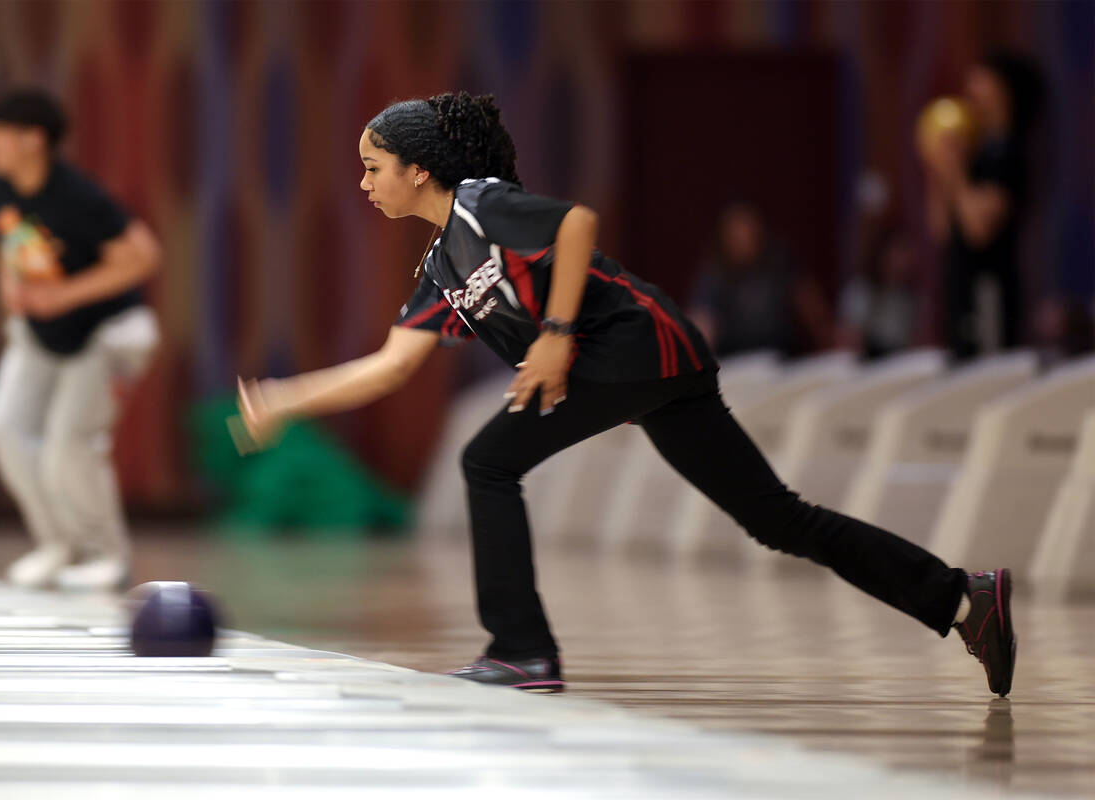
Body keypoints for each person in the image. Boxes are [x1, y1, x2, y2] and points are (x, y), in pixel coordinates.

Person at [237, 92, 1015, 696]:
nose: (364, 182)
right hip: (641, 372)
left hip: (638, 347)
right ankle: (962, 599)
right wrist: (284, 400)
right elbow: (389, 366)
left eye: (374, 166)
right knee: (778, 519)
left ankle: (521, 652)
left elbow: (575, 223)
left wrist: (554, 333)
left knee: (487, 461)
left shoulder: (481, 201)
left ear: (417, 168)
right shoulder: (442, 267)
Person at [0, 89, 161, 591]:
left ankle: (107, 554)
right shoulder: (1, 187)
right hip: (42, 334)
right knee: (4, 426)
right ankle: (59, 544)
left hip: (105, 333)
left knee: (69, 444)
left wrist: (66, 295)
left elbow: (143, 255)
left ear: (32, 140)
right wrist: (11, 287)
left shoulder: (78, 198)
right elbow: (9, 244)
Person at [921, 50, 1044, 360]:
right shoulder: (977, 154)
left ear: (1005, 93)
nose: (970, 90)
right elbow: (942, 229)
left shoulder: (1009, 157)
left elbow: (979, 230)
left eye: (981, 81)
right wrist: (939, 171)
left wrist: (957, 171)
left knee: (987, 383)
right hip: (961, 296)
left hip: (989, 298)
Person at [687, 202, 832, 357]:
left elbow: (809, 303)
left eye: (748, 233)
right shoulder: (715, 274)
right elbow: (702, 321)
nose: (743, 241)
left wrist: (828, 334)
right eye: (736, 236)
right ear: (724, 238)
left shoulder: (779, 262)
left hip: (781, 359)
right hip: (736, 361)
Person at [837, 225, 921, 360]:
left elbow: (915, 345)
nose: (902, 261)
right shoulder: (862, 291)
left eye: (906, 253)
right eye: (898, 252)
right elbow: (848, 342)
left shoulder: (908, 297)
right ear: (882, 253)